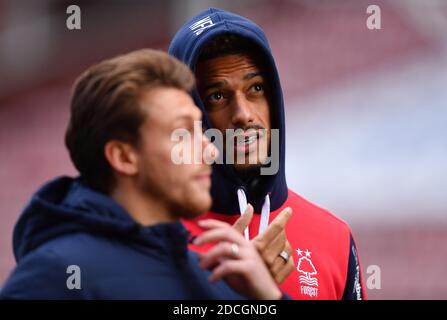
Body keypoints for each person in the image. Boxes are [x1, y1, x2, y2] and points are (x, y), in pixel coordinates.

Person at [0, 49, 286, 300]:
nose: (211, 151)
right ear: (124, 157)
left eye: (201, 129)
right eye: (183, 132)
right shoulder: (53, 278)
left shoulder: (221, 279)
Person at [169, 8, 366, 299]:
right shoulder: (152, 240)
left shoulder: (334, 237)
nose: (243, 114)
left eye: (256, 88)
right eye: (217, 96)